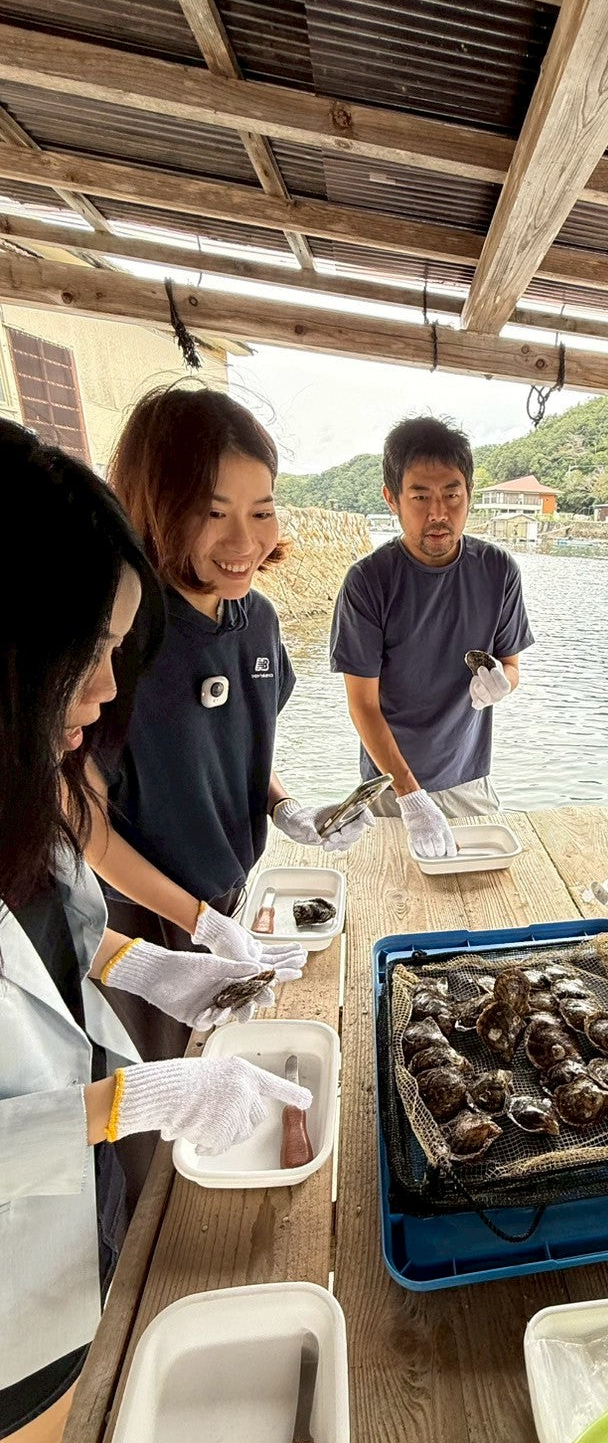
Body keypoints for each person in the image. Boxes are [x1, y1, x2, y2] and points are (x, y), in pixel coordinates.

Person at [0, 422, 311, 1443]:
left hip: (62, 1236)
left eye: (117, 652)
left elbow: (69, 928)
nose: (101, 692)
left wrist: (156, 965)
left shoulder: (19, 791)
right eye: (85, 652)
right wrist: (137, 1091)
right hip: (5, 1307)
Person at [86, 387, 372, 1080]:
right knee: (150, 1100)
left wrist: (285, 808)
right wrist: (195, 924)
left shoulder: (260, 622)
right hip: (134, 924)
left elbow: (238, 747)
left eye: (262, 511)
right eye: (213, 514)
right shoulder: (116, 638)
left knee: (227, 1068)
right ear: (155, 507)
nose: (245, 542)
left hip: (232, 896)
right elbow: (79, 823)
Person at [329, 415, 534, 860]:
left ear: (469, 494)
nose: (438, 513)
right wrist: (409, 794)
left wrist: (502, 682)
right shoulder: (368, 581)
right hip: (387, 786)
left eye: (452, 495)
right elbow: (362, 704)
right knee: (388, 897)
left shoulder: (498, 570)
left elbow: (511, 665)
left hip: (470, 781)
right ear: (392, 499)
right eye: (420, 496)